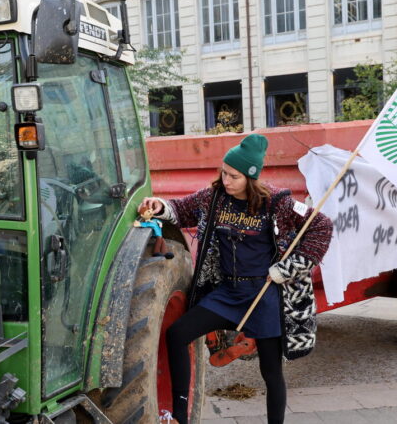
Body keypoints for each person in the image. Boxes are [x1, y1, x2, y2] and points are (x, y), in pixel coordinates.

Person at [140, 134, 333, 424]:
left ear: (251, 177)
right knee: (177, 334)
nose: (225, 180)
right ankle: (179, 416)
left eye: (233, 176)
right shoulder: (215, 198)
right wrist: (159, 206)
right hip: (227, 293)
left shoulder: (277, 203)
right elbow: (181, 210)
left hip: (263, 295)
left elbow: (321, 226)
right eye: (224, 173)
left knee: (271, 372)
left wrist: (290, 267)